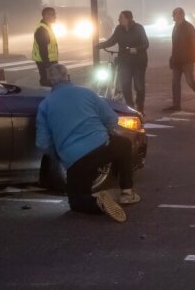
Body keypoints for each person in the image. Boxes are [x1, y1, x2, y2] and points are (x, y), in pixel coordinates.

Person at [35, 64, 140, 223]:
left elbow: (42, 142)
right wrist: (106, 133)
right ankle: (127, 193)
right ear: (68, 77)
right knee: (124, 144)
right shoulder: (86, 93)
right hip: (101, 145)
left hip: (75, 159)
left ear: (50, 82)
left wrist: (61, 156)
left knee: (76, 202)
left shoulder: (45, 105)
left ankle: (97, 203)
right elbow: (111, 119)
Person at [96, 11, 149, 114]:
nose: (118, 19)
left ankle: (140, 108)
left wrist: (136, 49)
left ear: (128, 18)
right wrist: (99, 45)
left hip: (138, 62)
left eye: (121, 17)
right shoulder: (119, 29)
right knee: (125, 85)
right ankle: (130, 108)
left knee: (139, 86)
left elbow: (145, 43)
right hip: (124, 62)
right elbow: (112, 40)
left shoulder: (138, 28)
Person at [165, 7, 195, 112]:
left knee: (190, 81)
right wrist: (172, 57)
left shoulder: (188, 27)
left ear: (180, 15)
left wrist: (187, 56)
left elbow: (194, 45)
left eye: (174, 15)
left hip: (187, 60)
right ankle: (176, 105)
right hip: (176, 60)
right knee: (175, 83)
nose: (173, 17)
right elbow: (175, 45)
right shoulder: (175, 27)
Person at [32, 7, 59, 87]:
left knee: (51, 81)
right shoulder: (42, 29)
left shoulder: (48, 27)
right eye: (53, 15)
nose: (55, 17)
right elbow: (43, 48)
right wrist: (47, 64)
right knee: (47, 82)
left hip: (50, 60)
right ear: (46, 16)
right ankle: (45, 97)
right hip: (46, 61)